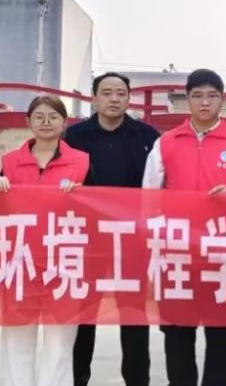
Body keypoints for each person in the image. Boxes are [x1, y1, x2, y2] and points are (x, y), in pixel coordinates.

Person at [142, 68, 226, 386]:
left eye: (212, 96)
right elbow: (149, 198)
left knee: (222, 335)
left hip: (223, 254)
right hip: (178, 255)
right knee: (177, 334)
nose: (204, 102)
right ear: (187, 100)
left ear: (222, 100)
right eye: (197, 96)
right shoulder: (166, 143)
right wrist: (154, 250)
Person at [66, 72, 159, 386]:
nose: (114, 99)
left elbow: (161, 185)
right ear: (94, 98)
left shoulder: (147, 137)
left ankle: (137, 379)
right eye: (107, 92)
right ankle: (78, 377)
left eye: (121, 93)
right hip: (86, 240)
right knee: (83, 313)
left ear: (129, 98)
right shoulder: (74, 136)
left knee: (134, 314)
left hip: (133, 240)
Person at [0, 94, 89, 386]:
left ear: (64, 122)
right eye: (39, 116)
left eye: (53, 117)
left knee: (59, 343)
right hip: (20, 261)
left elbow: (97, 210)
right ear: (28, 121)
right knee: (17, 339)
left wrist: (82, 194)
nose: (46, 122)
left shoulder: (82, 161)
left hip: (64, 261)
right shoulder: (10, 162)